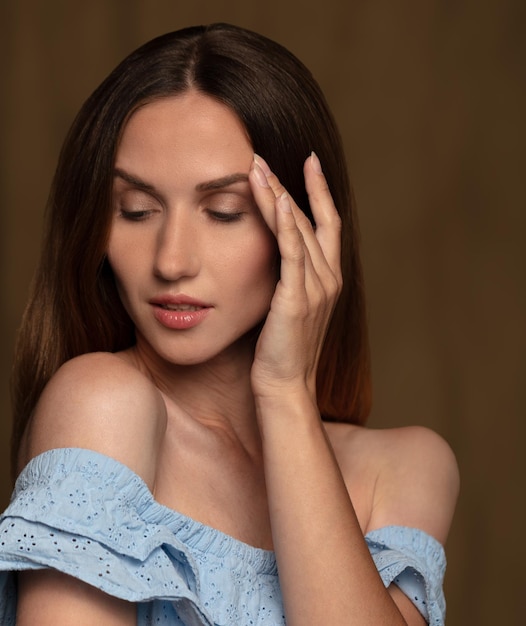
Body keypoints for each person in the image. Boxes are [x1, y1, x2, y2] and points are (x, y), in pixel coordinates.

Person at [0, 22, 458, 626]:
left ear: (305, 230)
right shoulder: (101, 406)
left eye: (223, 212)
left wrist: (285, 392)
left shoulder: (402, 470)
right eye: (135, 211)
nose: (171, 260)